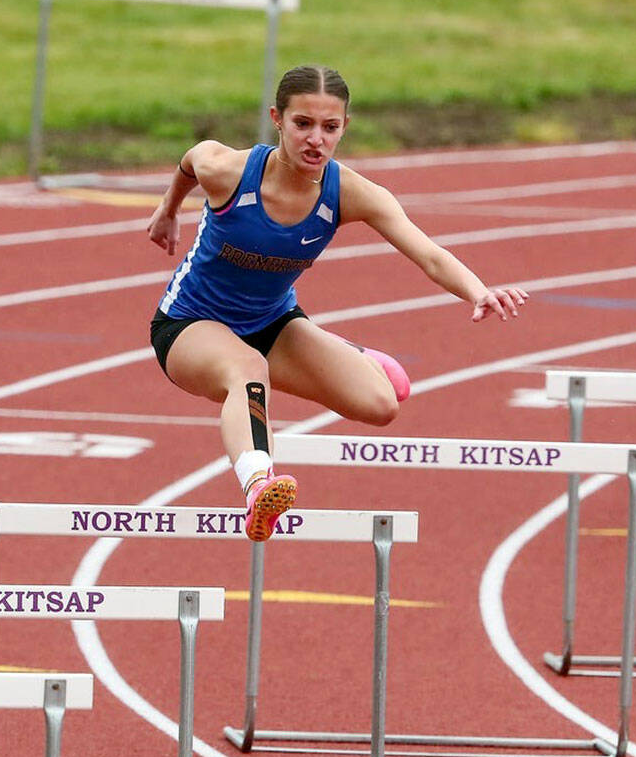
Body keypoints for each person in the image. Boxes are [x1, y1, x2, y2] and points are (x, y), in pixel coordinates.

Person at [147, 64, 528, 541]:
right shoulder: (228, 170)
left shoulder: (349, 193)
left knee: (380, 404)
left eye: (329, 128)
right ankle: (257, 487)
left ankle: (357, 358)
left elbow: (428, 253)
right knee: (245, 370)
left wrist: (479, 290)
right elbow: (191, 159)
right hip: (188, 325)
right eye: (303, 124)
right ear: (277, 120)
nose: (315, 140)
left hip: (272, 325)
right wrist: (168, 209)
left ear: (344, 128)